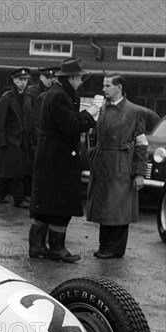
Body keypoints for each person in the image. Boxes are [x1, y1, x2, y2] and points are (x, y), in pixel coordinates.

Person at [29, 57, 100, 262]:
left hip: (50, 157)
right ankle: (56, 249)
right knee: (60, 206)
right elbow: (70, 125)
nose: (81, 81)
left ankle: (37, 246)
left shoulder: (57, 93)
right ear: (72, 77)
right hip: (58, 158)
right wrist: (90, 114)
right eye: (79, 77)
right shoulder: (60, 96)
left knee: (45, 206)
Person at [86, 74, 148, 259]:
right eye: (103, 85)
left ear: (119, 87)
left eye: (107, 86)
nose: (103, 89)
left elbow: (142, 144)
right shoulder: (103, 109)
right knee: (104, 206)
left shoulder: (135, 112)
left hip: (122, 164)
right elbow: (94, 136)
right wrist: (92, 154)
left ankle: (115, 248)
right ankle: (104, 245)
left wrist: (140, 173)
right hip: (102, 164)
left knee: (119, 207)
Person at [0, 67, 33, 208]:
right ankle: (19, 199)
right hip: (11, 140)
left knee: (10, 170)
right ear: (14, 80)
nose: (23, 83)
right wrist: (2, 142)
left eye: (25, 80)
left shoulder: (27, 97)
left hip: (23, 140)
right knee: (15, 172)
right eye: (20, 80)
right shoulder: (7, 98)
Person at [29, 66, 59, 147]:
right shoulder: (32, 92)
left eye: (51, 78)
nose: (49, 80)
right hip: (33, 133)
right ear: (41, 77)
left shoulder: (54, 92)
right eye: (47, 78)